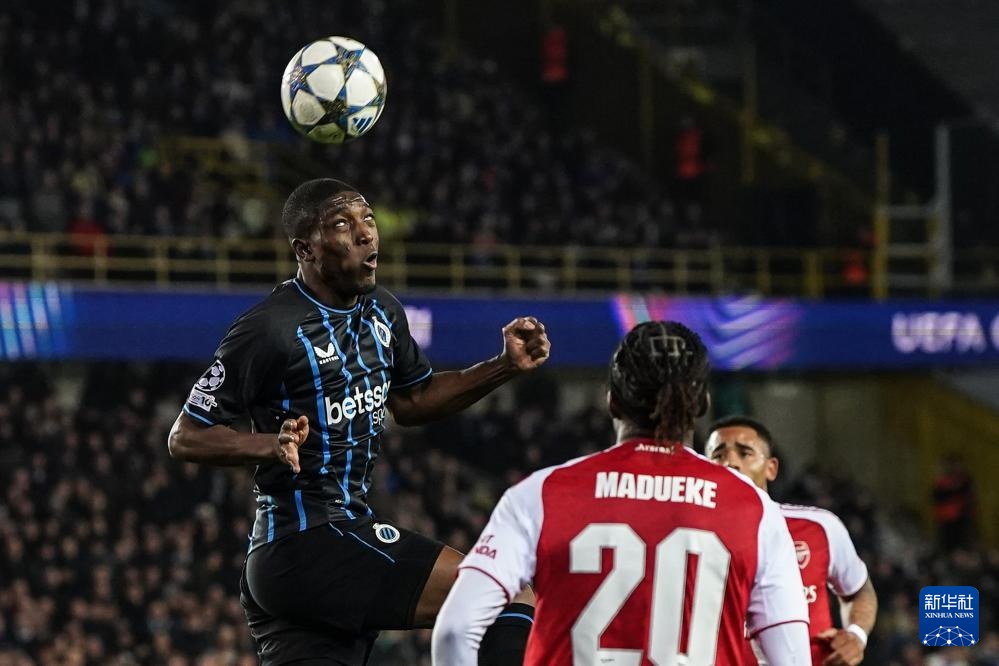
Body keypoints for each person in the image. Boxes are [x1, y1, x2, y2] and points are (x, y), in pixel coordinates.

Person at [167, 178, 551, 665]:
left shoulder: (383, 312)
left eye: (367, 219)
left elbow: (413, 400)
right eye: (342, 225)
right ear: (305, 249)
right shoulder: (270, 328)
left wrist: (503, 366)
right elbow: (186, 436)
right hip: (308, 543)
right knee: (505, 595)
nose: (366, 233)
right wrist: (267, 445)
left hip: (318, 556)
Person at [432, 321, 809, 665]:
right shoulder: (754, 508)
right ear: (703, 404)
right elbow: (791, 657)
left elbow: (454, 630)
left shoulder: (541, 493)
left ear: (612, 400)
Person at [705, 416, 878, 666]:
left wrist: (856, 635)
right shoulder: (692, 536)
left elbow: (859, 590)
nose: (731, 462)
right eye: (718, 455)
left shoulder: (819, 527)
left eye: (745, 453)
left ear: (771, 468)